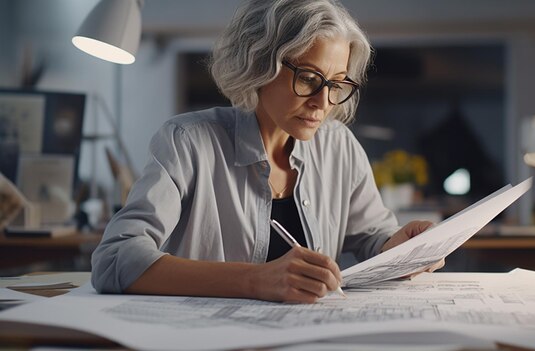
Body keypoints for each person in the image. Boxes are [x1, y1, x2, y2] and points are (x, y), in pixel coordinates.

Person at [91, 0, 443, 304]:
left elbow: (371, 237)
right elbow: (115, 258)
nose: (323, 103)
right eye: (308, 78)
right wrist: (255, 280)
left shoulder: (339, 147)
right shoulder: (189, 142)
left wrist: (397, 247)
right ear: (260, 65)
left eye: (336, 84)